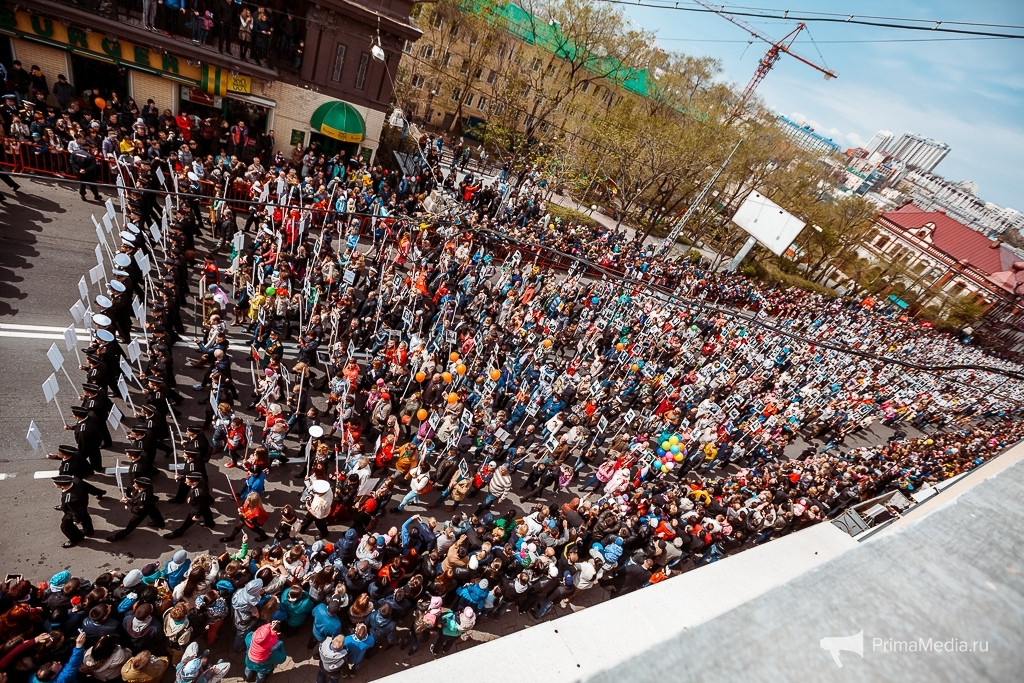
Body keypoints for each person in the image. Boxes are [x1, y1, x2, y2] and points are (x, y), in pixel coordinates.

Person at [107, 477, 165, 541]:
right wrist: (132, 494)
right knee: (155, 513)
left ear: (141, 488)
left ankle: (117, 536)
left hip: (143, 510)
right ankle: (159, 523)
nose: (133, 485)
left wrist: (128, 504)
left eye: (135, 485)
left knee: (131, 526)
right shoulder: (148, 486)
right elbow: (135, 493)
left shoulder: (143, 499)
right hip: (149, 504)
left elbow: (137, 510)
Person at [53, 475, 93, 548]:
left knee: (65, 527)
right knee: (85, 516)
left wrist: (76, 520)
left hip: (71, 512)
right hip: (83, 505)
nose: (54, 484)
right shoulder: (77, 481)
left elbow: (75, 511)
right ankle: (89, 531)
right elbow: (89, 487)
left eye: (55, 483)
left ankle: (77, 538)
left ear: (63, 486)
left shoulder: (70, 499)